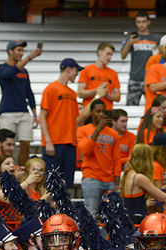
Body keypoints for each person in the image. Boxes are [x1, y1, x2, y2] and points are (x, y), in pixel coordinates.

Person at [40, 57, 104, 189]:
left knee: (67, 184)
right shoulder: (51, 88)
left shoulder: (72, 93)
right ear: (68, 69)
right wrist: (48, 141)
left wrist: (97, 98)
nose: (77, 74)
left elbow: (78, 119)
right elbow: (42, 116)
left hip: (70, 144)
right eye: (76, 71)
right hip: (54, 143)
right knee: (51, 184)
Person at [0, 40, 42, 167]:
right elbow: (10, 73)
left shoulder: (24, 71)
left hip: (23, 111)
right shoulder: (2, 68)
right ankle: (6, 170)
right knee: (6, 145)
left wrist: (34, 113)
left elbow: (29, 92)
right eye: (19, 50)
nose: (21, 53)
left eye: (22, 50)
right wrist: (29, 57)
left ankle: (21, 171)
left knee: (25, 144)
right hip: (7, 112)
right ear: (10, 51)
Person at [77, 98, 121, 216]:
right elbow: (86, 151)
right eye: (97, 111)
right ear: (91, 113)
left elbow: (116, 159)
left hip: (110, 180)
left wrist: (117, 183)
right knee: (91, 215)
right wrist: (98, 130)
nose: (101, 114)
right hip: (91, 179)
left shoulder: (114, 133)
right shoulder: (82, 130)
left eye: (103, 111)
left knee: (111, 216)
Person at [120, 11, 161, 107]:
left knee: (154, 107)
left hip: (151, 78)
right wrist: (129, 43)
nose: (141, 24)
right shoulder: (132, 38)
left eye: (143, 21)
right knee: (131, 107)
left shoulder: (156, 39)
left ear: (148, 22)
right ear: (136, 23)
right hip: (135, 78)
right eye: (138, 22)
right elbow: (123, 56)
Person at [78, 42, 121, 110]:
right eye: (108, 54)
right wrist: (97, 91)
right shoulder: (86, 70)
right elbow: (80, 93)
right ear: (99, 52)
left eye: (111, 55)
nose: (110, 57)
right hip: (89, 110)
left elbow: (117, 97)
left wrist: (106, 94)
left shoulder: (113, 73)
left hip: (107, 111)